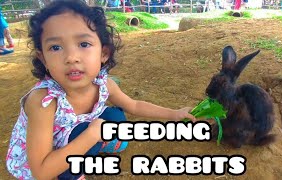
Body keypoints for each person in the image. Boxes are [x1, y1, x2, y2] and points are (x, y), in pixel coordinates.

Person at [6, 0, 196, 179]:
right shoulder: (43, 101)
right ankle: (72, 173)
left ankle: (96, 142)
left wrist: (174, 114)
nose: (71, 57)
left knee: (116, 119)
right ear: (44, 59)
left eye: (84, 44)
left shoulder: (103, 84)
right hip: (47, 160)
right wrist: (91, 135)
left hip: (83, 130)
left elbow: (135, 105)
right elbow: (41, 172)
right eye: (55, 47)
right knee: (83, 134)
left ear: (104, 53)